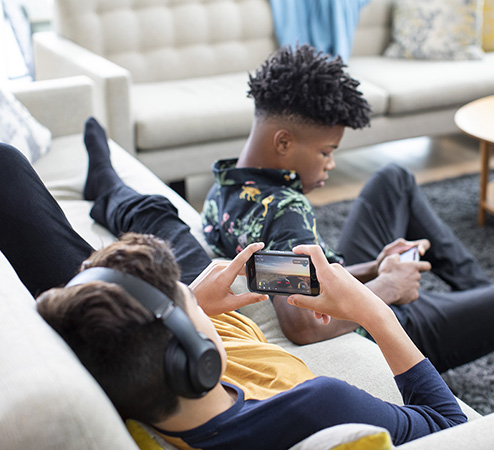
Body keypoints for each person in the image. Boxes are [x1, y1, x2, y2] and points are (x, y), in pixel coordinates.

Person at [0, 124, 465, 448]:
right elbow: (452, 427)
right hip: (251, 357)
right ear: (199, 358)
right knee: (166, 224)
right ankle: (110, 188)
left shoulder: (119, 376)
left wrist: (189, 302)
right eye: (191, 305)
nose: (196, 299)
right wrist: (372, 310)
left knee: (157, 220)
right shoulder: (317, 405)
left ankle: (108, 185)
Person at [200, 44, 494, 372]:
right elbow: (303, 324)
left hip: (347, 285)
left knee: (393, 179)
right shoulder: (286, 212)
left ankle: (481, 295)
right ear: (284, 142)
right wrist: (387, 288)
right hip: (388, 331)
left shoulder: (224, 188)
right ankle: (488, 300)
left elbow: (283, 278)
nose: (331, 164)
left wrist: (373, 268)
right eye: (326, 151)